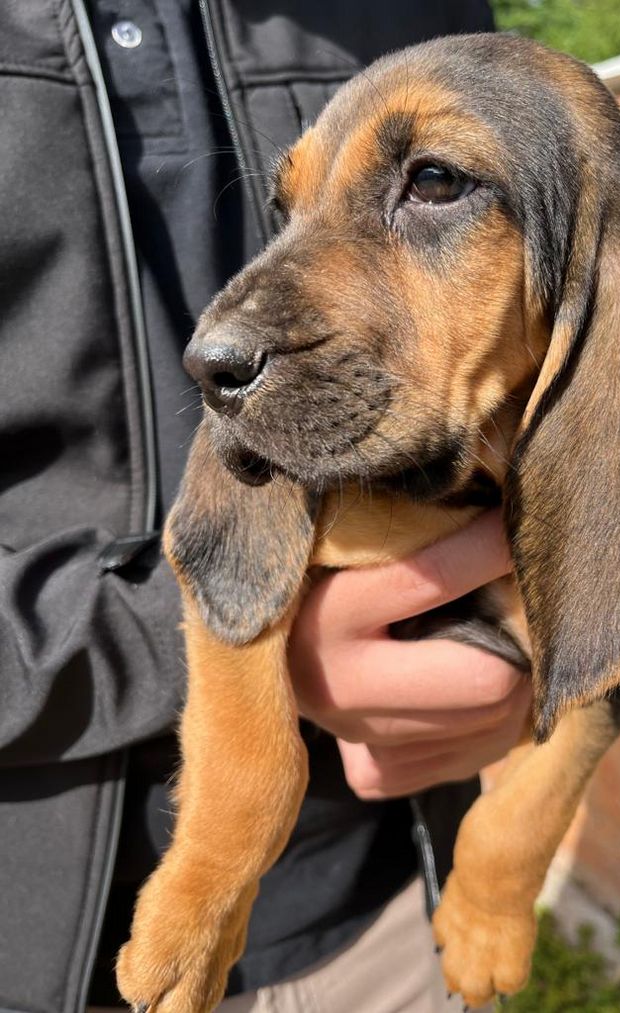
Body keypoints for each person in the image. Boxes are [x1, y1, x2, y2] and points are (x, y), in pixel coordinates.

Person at [0, 2, 531, 1011]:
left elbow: (562, 348)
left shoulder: (427, 16)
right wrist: (241, 630)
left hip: (391, 909)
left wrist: (530, 620)